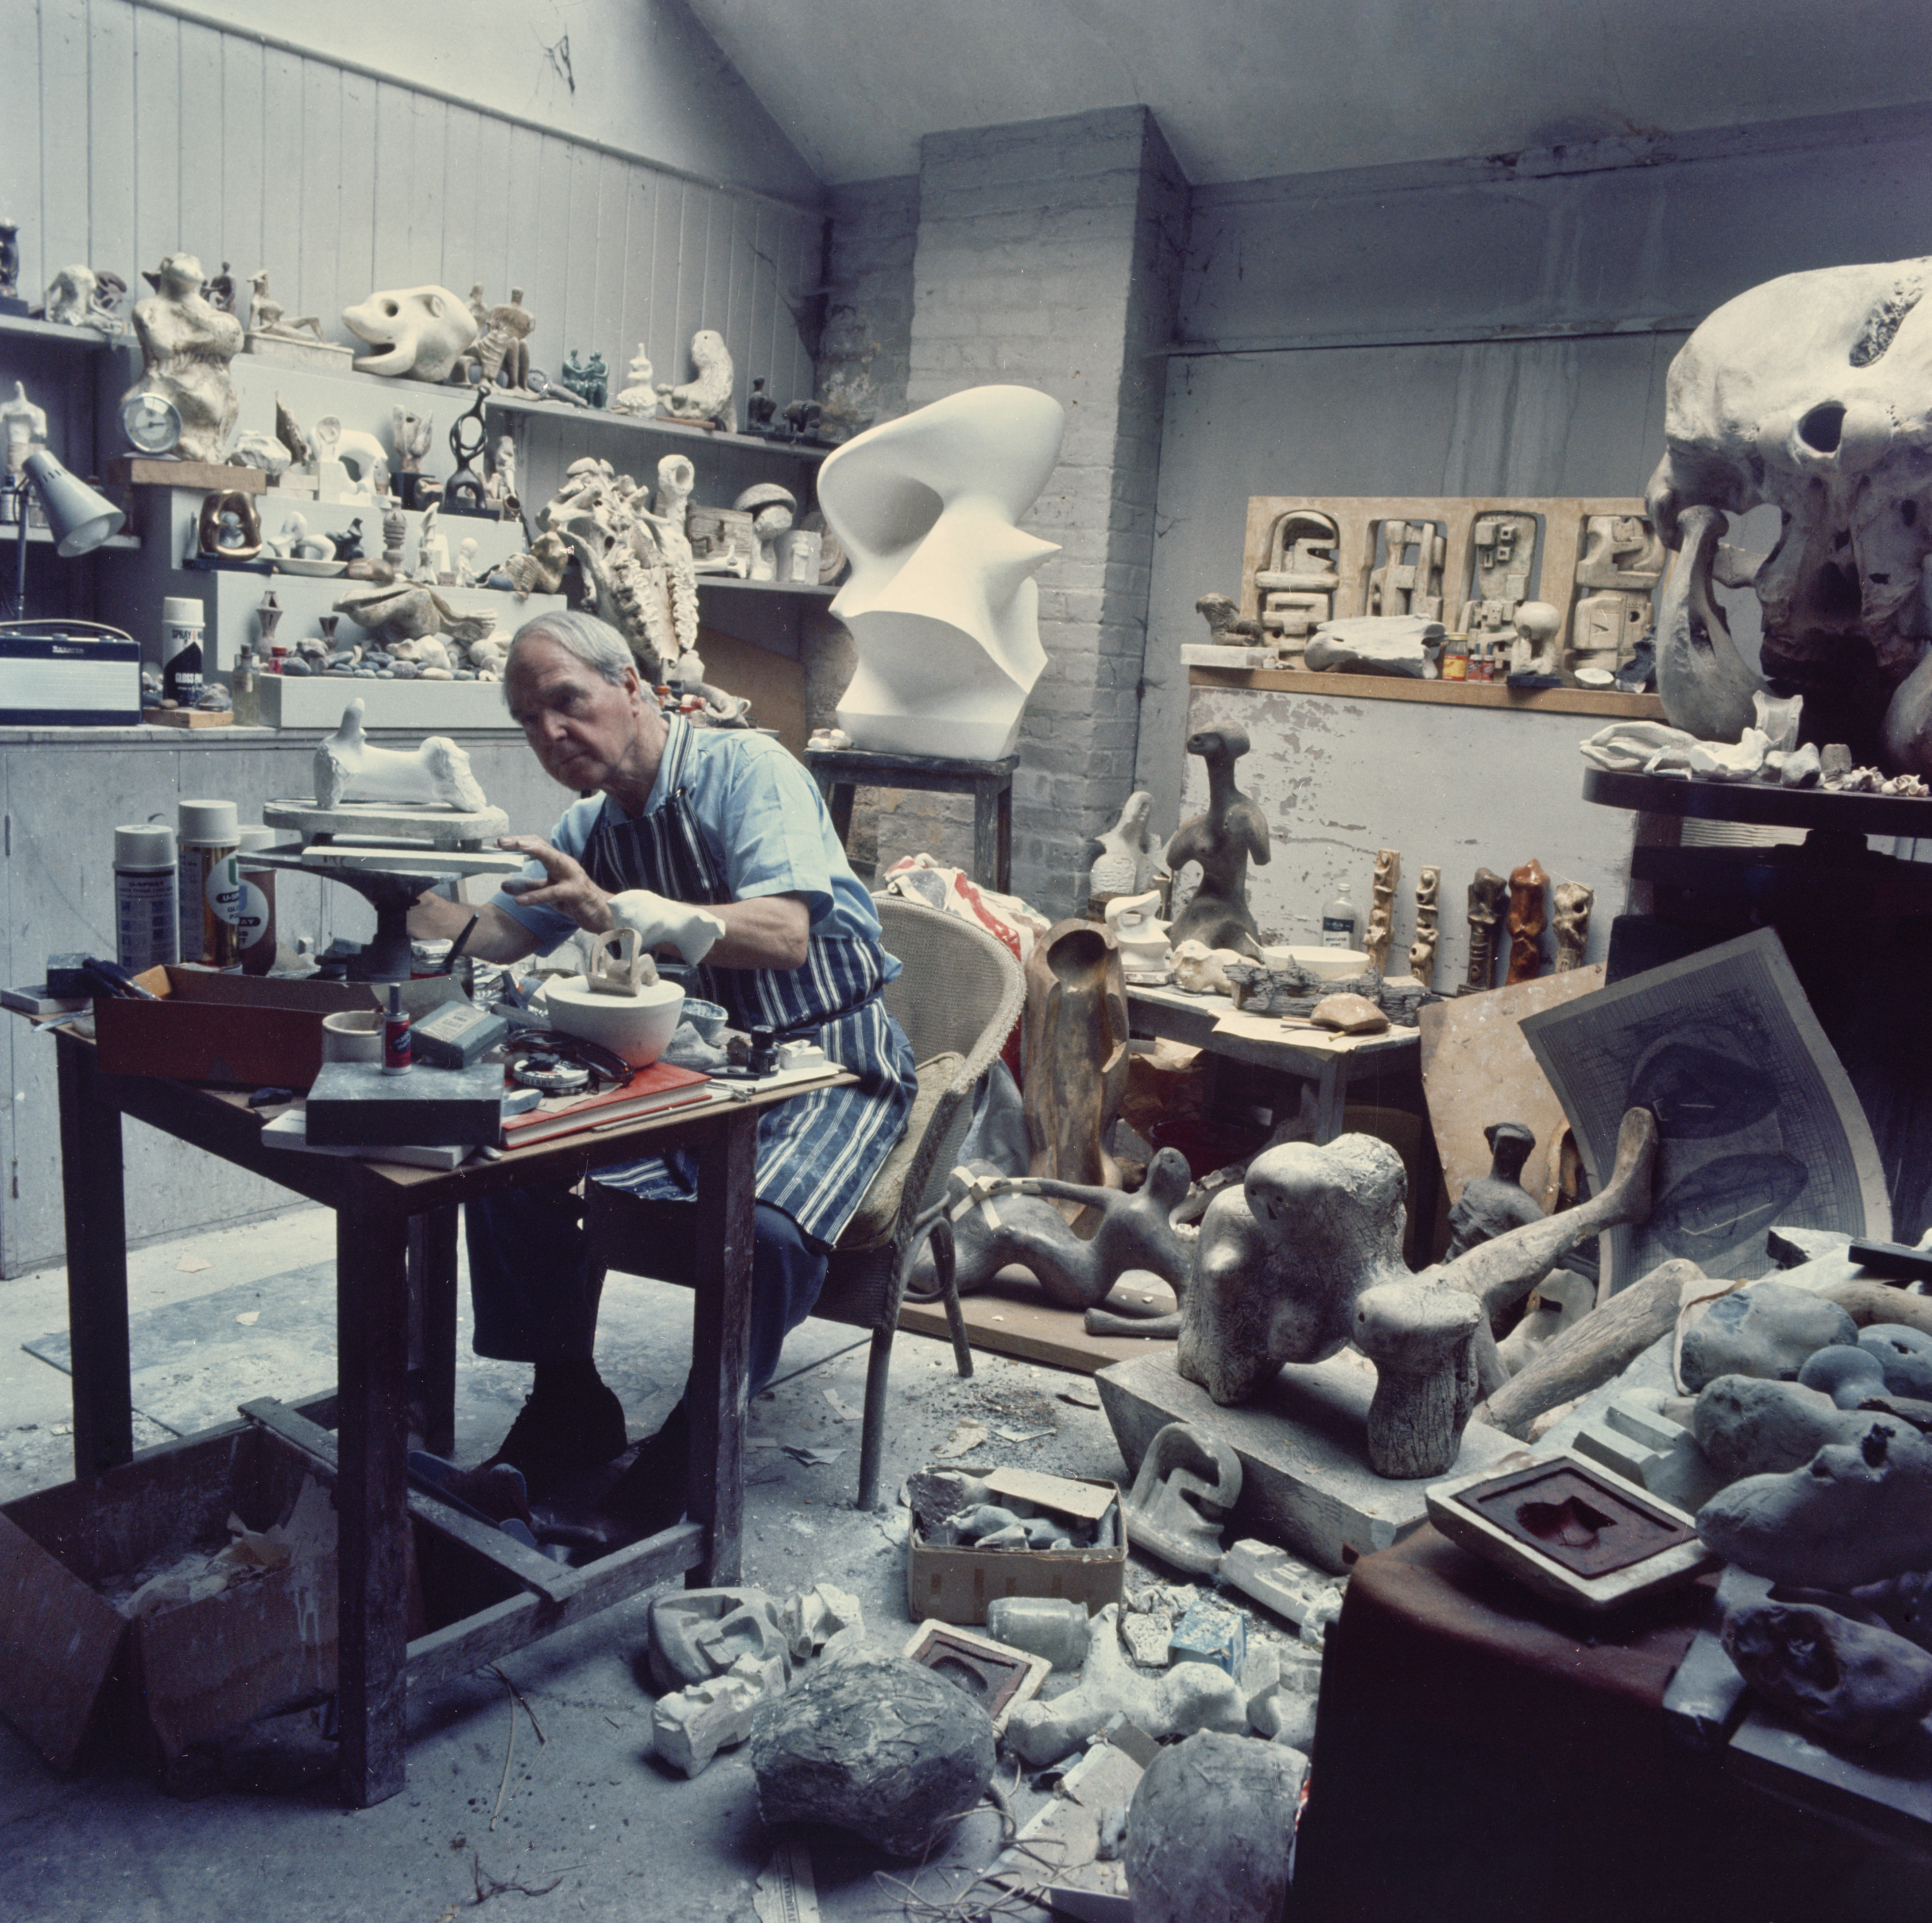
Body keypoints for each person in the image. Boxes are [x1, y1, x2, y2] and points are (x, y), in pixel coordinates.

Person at [408, 611, 916, 1522]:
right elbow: (501, 934)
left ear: (633, 684)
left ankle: (692, 1441)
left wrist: (628, 910)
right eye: (529, 719)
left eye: (567, 701)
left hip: (823, 1056)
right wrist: (402, 883)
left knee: (764, 1233)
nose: (551, 733)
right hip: (693, 1062)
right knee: (502, 1164)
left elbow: (788, 935)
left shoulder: (745, 771)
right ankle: (569, 1399)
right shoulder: (590, 822)